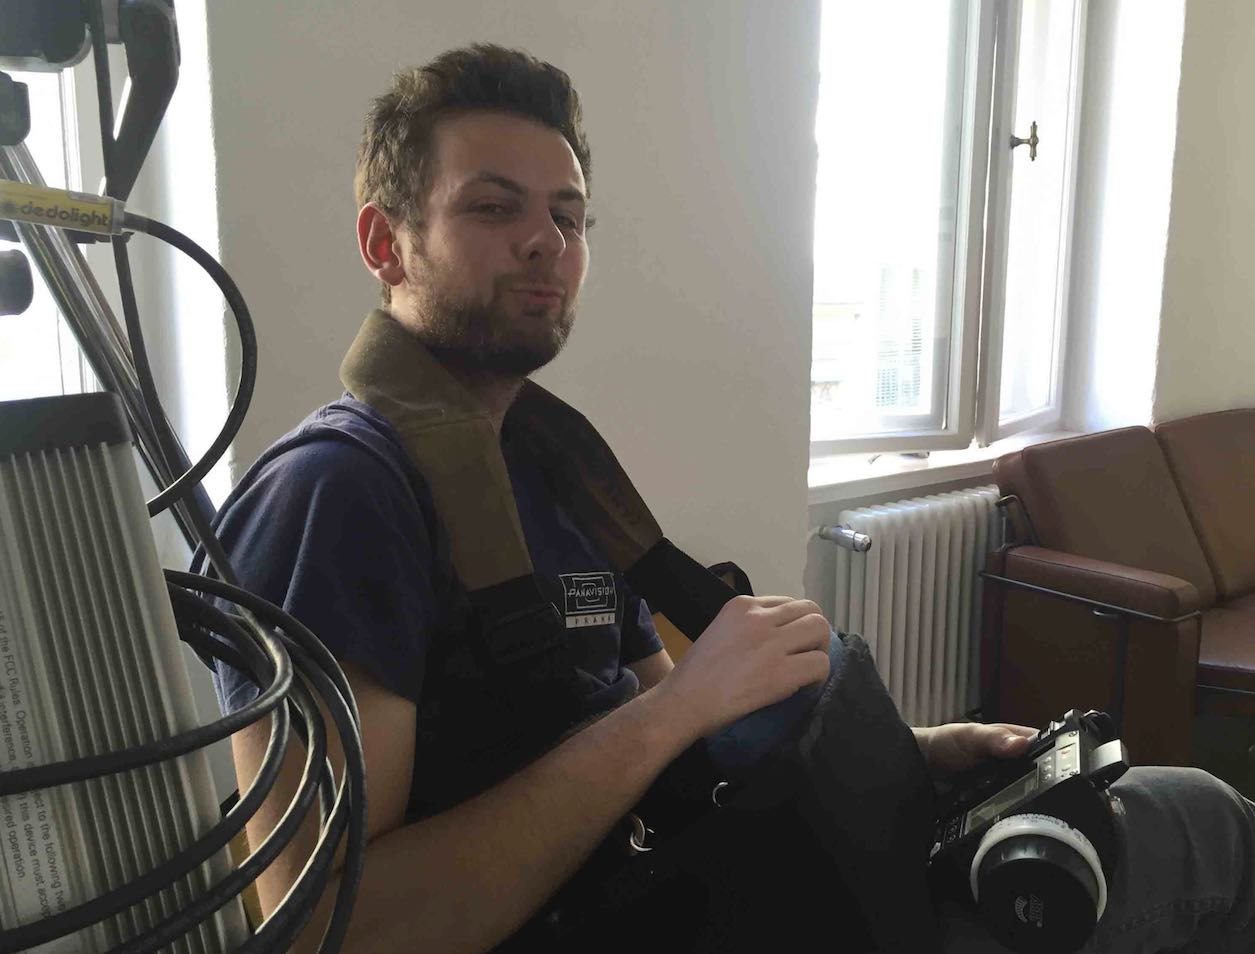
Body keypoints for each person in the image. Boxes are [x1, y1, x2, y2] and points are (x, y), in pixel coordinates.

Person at [200, 44, 1255, 954]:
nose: (546, 241)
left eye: (568, 215)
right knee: (1205, 829)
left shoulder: (549, 469)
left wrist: (912, 761)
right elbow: (329, 923)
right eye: (492, 206)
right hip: (641, 919)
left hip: (696, 884)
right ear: (384, 243)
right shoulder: (336, 495)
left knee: (1159, 806)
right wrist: (677, 709)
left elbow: (686, 737)